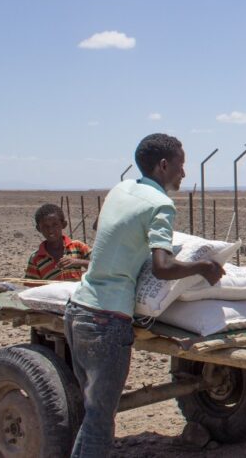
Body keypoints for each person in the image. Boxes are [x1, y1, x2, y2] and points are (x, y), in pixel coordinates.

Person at [66, 134, 224, 457]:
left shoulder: (121, 189)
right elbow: (163, 266)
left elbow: (104, 230)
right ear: (164, 166)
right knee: (100, 422)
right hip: (106, 320)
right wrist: (202, 266)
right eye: (180, 166)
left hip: (78, 310)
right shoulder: (161, 204)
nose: (183, 174)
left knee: (93, 415)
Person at [24, 203, 92, 281]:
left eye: (55, 225)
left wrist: (78, 262)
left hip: (76, 293)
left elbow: (100, 266)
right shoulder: (36, 258)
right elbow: (32, 286)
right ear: (39, 229)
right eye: (45, 226)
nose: (50, 230)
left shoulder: (78, 246)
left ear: (63, 224)